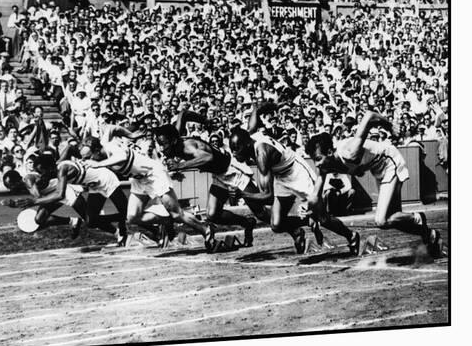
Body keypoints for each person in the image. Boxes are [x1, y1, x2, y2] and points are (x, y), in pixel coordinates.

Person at [305, 110, 443, 257]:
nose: (317, 164)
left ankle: (417, 218)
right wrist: (310, 213)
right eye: (314, 160)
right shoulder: (325, 166)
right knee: (393, 219)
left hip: (390, 162)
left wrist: (389, 125)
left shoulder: (349, 151)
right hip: (379, 170)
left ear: (330, 152)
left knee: (381, 220)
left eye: (318, 158)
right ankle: (429, 234)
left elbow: (369, 116)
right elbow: (315, 196)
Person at [229, 104, 360, 255]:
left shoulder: (261, 155)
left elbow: (267, 197)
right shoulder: (248, 135)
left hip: (297, 173)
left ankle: (351, 236)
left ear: (246, 145)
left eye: (236, 150)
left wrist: (242, 194)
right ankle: (303, 225)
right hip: (281, 177)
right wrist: (275, 105)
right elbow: (257, 109)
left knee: (323, 218)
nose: (234, 155)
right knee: (276, 224)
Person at [81, 128, 216, 252]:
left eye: (89, 157)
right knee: (132, 217)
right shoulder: (103, 141)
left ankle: (206, 230)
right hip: (139, 179)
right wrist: (130, 134)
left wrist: (99, 164)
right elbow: (111, 128)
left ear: (97, 151)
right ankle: (165, 220)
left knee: (177, 213)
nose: (89, 160)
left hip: (153, 174)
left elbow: (122, 157)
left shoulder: (111, 148)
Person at [155, 110, 269, 247]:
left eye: (164, 144)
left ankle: (293, 226)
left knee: (261, 214)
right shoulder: (174, 135)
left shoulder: (188, 147)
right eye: (159, 144)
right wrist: (205, 121)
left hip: (233, 172)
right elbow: (183, 114)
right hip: (220, 176)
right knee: (213, 214)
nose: (161, 148)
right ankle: (247, 222)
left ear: (173, 141)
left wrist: (181, 165)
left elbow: (208, 157)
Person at [15, 149, 129, 246]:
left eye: (41, 172)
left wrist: (34, 201)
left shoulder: (61, 170)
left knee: (127, 212)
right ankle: (120, 221)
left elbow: (60, 194)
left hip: (106, 180)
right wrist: (80, 158)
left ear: (49, 168)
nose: (40, 175)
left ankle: (123, 223)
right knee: (91, 222)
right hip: (94, 186)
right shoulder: (56, 168)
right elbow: (69, 148)